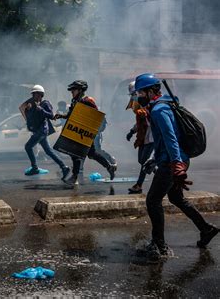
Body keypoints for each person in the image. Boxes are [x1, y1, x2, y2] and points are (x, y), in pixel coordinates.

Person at [134, 73, 218, 262]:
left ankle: (159, 245)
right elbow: (164, 141)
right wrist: (155, 159)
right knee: (175, 197)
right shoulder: (164, 105)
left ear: (150, 91)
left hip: (172, 162)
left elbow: (171, 138)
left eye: (140, 92)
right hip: (171, 159)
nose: (138, 95)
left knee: (153, 201)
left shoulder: (159, 110)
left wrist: (176, 164)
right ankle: (206, 229)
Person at [56, 80, 116, 186]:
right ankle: (109, 167)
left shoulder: (88, 101)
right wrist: (61, 116)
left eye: (74, 90)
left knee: (81, 154)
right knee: (86, 154)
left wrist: (94, 131)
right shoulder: (74, 101)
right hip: (77, 132)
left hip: (86, 133)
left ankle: (75, 177)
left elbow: (97, 117)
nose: (72, 92)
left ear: (80, 90)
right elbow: (70, 114)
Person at [19, 85, 70, 178]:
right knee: (48, 151)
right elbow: (27, 113)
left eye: (35, 94)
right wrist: (28, 111)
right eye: (33, 94)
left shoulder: (45, 103)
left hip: (41, 131)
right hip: (39, 131)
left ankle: (34, 168)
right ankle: (64, 167)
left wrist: (41, 109)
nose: (33, 96)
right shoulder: (33, 104)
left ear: (40, 95)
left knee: (28, 147)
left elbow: (51, 116)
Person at [125, 81, 154, 193]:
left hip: (152, 138)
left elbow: (151, 122)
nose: (133, 97)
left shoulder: (151, 105)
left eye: (135, 94)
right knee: (142, 160)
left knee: (145, 162)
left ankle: (139, 185)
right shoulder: (142, 106)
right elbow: (140, 123)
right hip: (144, 137)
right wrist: (132, 131)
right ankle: (163, 175)